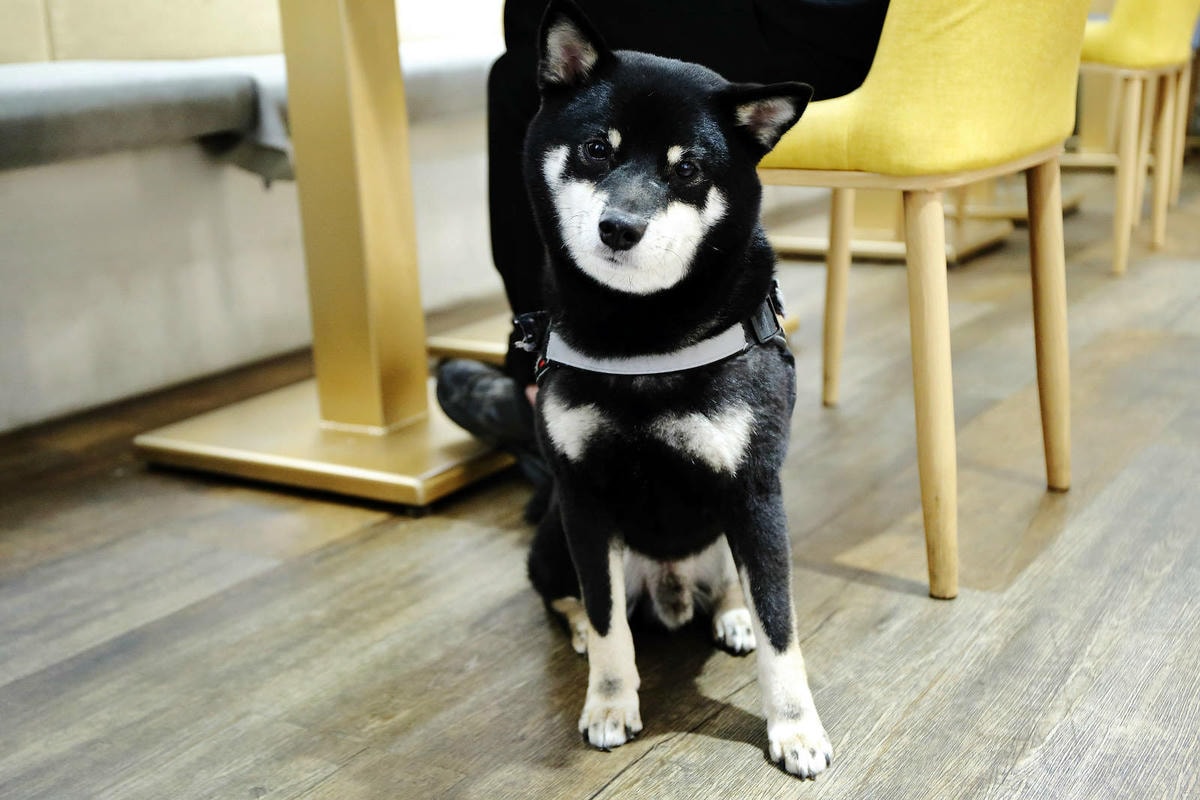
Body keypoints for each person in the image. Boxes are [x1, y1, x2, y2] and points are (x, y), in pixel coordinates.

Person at [436, 0, 890, 515]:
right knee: (540, 35)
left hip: (817, 25)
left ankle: (552, 389)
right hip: (886, 30)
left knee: (530, 61)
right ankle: (598, 390)